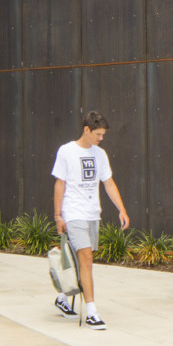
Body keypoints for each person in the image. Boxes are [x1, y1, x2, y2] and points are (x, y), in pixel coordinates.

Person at [52, 110, 131, 329]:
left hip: (92, 213)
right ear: (86, 130)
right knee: (86, 258)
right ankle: (92, 312)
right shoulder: (66, 151)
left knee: (83, 260)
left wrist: (121, 210)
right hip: (73, 212)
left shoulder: (100, 154)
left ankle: (62, 298)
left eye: (103, 134)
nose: (101, 138)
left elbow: (109, 183)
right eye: (98, 134)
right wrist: (58, 215)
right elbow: (60, 184)